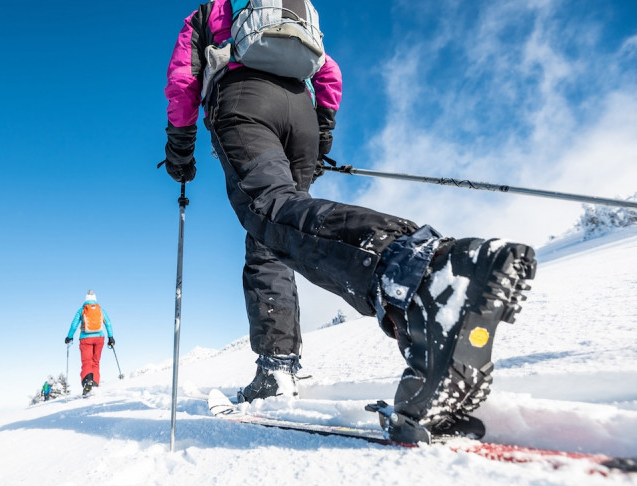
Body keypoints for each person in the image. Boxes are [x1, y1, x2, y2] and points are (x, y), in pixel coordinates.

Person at [162, 1, 537, 443]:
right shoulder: (294, 8)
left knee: (268, 209)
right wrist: (321, 134)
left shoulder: (211, 12)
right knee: (274, 234)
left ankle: (420, 269)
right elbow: (328, 72)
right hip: (300, 109)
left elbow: (183, 79)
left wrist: (180, 150)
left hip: (244, 99)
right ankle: (280, 365)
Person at [65, 290, 115, 396]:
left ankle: (88, 382)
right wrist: (111, 337)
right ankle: (95, 383)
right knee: (96, 362)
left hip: (85, 339)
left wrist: (69, 337)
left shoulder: (82, 310)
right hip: (99, 338)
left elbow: (74, 324)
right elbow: (108, 323)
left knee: (87, 362)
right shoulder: (100, 309)